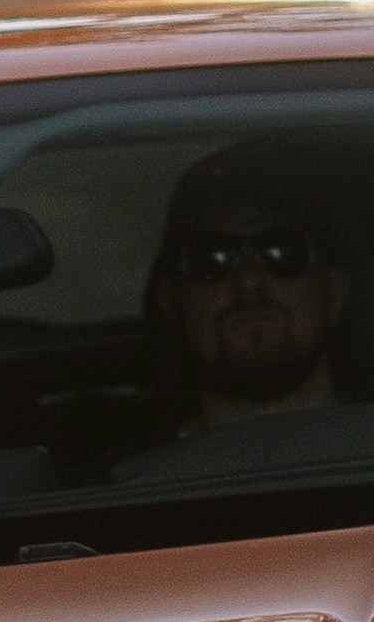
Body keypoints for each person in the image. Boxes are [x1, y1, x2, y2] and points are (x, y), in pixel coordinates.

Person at [139, 146, 357, 438]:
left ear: (336, 291)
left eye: (281, 251)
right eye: (212, 258)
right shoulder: (129, 479)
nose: (249, 280)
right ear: (170, 301)